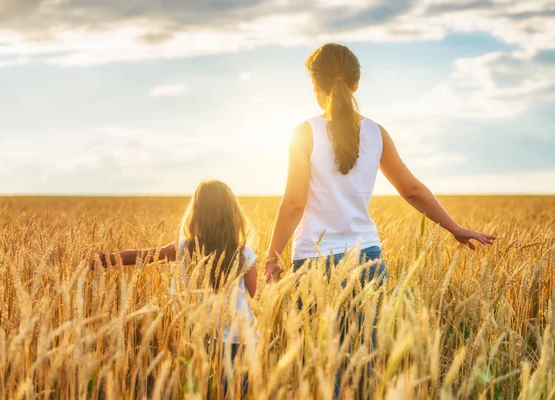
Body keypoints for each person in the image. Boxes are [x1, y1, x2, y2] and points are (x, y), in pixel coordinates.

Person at [264, 42, 497, 395]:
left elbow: (294, 202)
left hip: (314, 264)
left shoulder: (304, 132)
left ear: (315, 86)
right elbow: (412, 190)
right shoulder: (375, 132)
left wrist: (271, 255)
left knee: (322, 368)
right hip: (369, 261)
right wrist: (455, 228)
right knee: (363, 366)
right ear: (356, 84)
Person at [94, 180, 257, 396]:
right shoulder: (245, 253)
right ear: (233, 214)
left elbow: (140, 256)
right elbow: (252, 294)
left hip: (200, 335)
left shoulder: (183, 248)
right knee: (237, 393)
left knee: (204, 390)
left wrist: (103, 259)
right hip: (242, 338)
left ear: (197, 213)